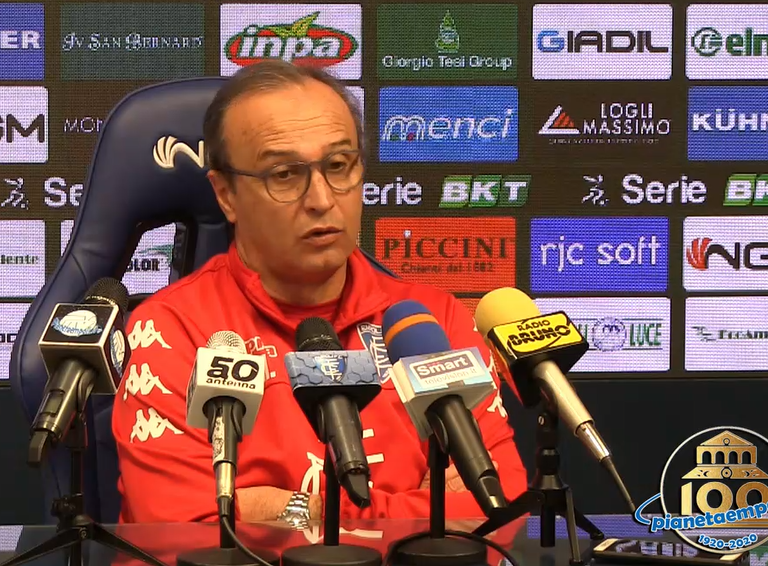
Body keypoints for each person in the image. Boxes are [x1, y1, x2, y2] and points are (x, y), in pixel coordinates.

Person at [112, 60, 527, 527]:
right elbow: (181, 529)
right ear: (226, 194)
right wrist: (420, 512)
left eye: (337, 166)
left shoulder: (430, 322)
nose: (322, 199)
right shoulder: (170, 329)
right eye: (284, 174)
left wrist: (290, 510)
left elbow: (499, 506)